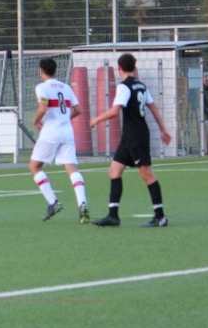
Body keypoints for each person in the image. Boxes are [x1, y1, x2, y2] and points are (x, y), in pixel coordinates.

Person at [88, 53, 173, 228]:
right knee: (114, 171)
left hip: (136, 136)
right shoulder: (140, 85)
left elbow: (114, 111)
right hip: (129, 137)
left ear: (119, 68)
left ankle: (160, 217)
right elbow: (153, 107)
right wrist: (163, 129)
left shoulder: (124, 87)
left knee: (147, 174)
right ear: (134, 68)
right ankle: (113, 216)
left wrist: (97, 119)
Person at [29, 58, 89, 223]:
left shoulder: (42, 87)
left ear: (41, 71)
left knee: (35, 166)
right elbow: (78, 109)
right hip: (67, 132)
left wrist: (35, 121)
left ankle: (53, 202)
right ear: (55, 70)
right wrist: (65, 118)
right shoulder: (66, 87)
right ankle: (83, 204)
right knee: (72, 169)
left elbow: (43, 108)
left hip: (51, 132)